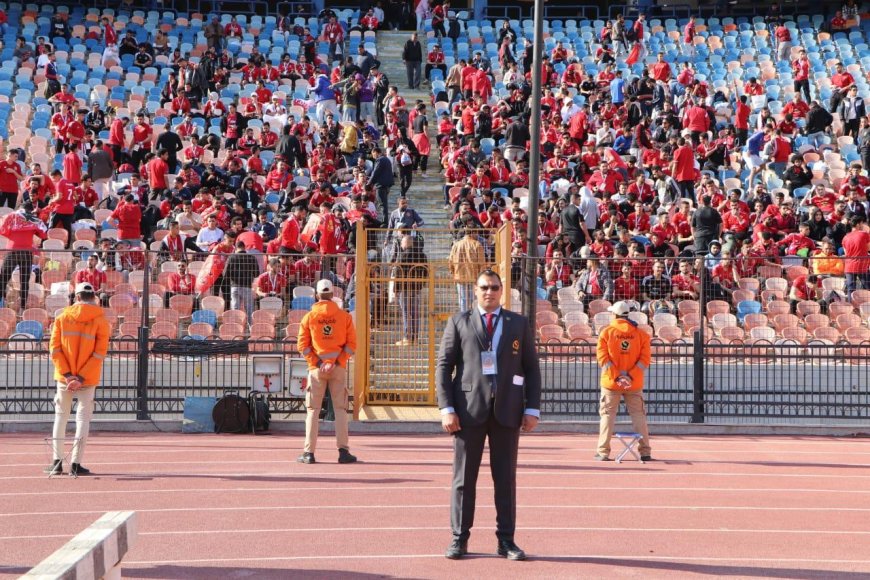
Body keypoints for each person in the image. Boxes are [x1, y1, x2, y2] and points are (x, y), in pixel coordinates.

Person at [436, 269, 541, 561]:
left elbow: (531, 368)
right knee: (463, 480)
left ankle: (506, 540)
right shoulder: (459, 321)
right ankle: (459, 538)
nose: (490, 292)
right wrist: (447, 408)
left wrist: (532, 408)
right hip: (467, 412)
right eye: (484, 287)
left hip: (507, 412)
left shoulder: (518, 323)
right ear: (475, 290)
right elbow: (444, 367)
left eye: (495, 287)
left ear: (502, 290)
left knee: (505, 480)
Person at [46, 282, 110, 476]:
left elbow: (54, 349)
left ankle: (57, 463)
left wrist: (67, 375)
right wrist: (80, 377)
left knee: (61, 417)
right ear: (94, 297)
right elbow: (99, 354)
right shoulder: (101, 321)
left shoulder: (62, 317)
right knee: (82, 419)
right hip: (87, 379)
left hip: (64, 379)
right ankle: (76, 463)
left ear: (77, 297)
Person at [297, 279, 358, 465]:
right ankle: (343, 451)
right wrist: (336, 362)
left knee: (313, 411)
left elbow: (303, 346)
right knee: (340, 410)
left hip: (316, 369)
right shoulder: (344, 317)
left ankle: (309, 453)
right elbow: (351, 345)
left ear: (316, 295)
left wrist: (317, 362)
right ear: (333, 295)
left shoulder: (309, 317)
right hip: (338, 368)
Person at [595, 300, 652, 462]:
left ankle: (603, 452)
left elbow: (603, 359)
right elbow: (644, 360)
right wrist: (630, 376)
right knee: (639, 416)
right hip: (634, 384)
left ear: (614, 314)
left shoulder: (607, 332)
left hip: (611, 383)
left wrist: (618, 377)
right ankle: (645, 451)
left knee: (607, 416)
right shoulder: (641, 334)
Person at [391, 234, 428, 345]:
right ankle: (415, 338)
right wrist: (421, 284)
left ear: (405, 244)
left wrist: (396, 289)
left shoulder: (402, 256)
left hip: (404, 289)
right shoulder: (421, 255)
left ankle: (407, 337)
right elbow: (426, 272)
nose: (401, 245)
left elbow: (398, 273)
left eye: (402, 243)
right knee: (415, 313)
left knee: (406, 313)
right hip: (416, 289)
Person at [448, 223, 485, 311]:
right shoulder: (477, 245)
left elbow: (450, 261)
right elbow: (482, 263)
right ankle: (474, 320)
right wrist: (481, 277)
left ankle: (464, 320)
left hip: (460, 277)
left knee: (463, 301)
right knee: (474, 301)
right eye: (476, 232)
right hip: (474, 277)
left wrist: (453, 273)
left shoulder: (456, 245)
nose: (477, 235)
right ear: (473, 233)